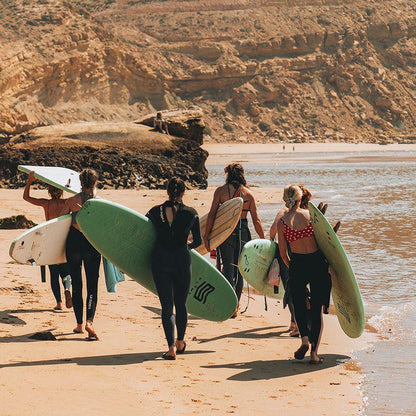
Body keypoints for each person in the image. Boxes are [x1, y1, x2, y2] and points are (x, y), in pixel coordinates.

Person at [146, 177, 201, 360]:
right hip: (181, 261)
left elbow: (141, 234)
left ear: (167, 191)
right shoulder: (191, 213)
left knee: (167, 307)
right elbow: (199, 242)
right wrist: (185, 247)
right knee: (181, 304)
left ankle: (171, 348)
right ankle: (180, 341)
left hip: (160, 260)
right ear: (183, 192)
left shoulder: (155, 211)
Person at [277, 185, 331, 364]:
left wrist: (292, 269)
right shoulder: (311, 216)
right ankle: (314, 354)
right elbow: (326, 242)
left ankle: (305, 339)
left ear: (286, 200)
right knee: (316, 310)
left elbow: (283, 254)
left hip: (297, 264)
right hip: (316, 263)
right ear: (301, 199)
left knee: (299, 304)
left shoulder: (282, 222)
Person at [203, 163, 265, 317]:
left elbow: (212, 215)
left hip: (225, 233)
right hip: (243, 233)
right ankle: (235, 306)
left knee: (228, 269)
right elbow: (256, 220)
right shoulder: (248, 195)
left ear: (228, 175)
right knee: (239, 271)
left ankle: (228, 304)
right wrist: (264, 241)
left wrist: (207, 235)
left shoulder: (221, 192)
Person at [23, 171, 72, 311]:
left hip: (50, 242)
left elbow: (26, 197)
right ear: (62, 192)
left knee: (54, 274)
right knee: (65, 271)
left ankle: (59, 303)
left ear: (49, 191)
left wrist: (30, 181)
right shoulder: (67, 203)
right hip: (64, 240)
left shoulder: (46, 204)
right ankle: (67, 288)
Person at [269, 184, 312, 337]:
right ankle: (306, 324)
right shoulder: (308, 215)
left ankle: (295, 323)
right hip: (307, 257)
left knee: (291, 290)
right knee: (306, 292)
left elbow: (272, 231)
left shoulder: (283, 214)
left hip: (287, 256)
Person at [64, 169, 101, 340]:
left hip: (73, 243)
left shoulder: (71, 202)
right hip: (91, 243)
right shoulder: (99, 204)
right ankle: (89, 322)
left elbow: (61, 226)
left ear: (80, 182)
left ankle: (79, 325)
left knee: (77, 284)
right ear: (95, 183)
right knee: (92, 284)